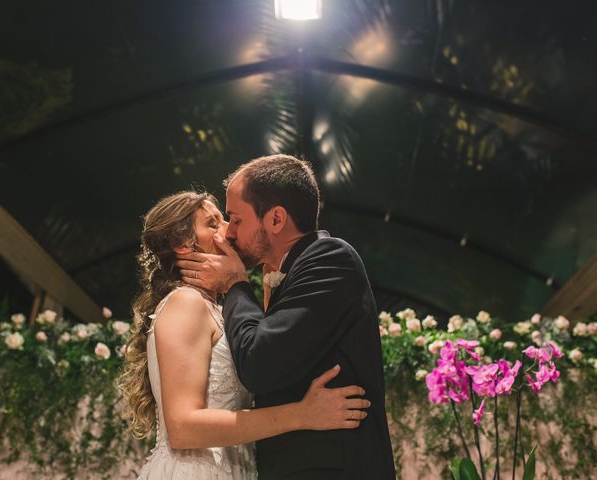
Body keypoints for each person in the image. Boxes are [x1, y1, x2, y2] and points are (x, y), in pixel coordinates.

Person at [118, 191, 370, 480]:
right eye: (213, 224)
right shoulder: (185, 302)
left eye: (226, 219)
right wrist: (302, 414)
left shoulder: (218, 311)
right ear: (182, 245)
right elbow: (183, 428)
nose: (228, 230)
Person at [176, 155, 397, 479]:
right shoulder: (292, 272)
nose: (230, 234)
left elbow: (259, 364)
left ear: (276, 219)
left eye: (236, 220)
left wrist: (235, 283)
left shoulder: (329, 259)